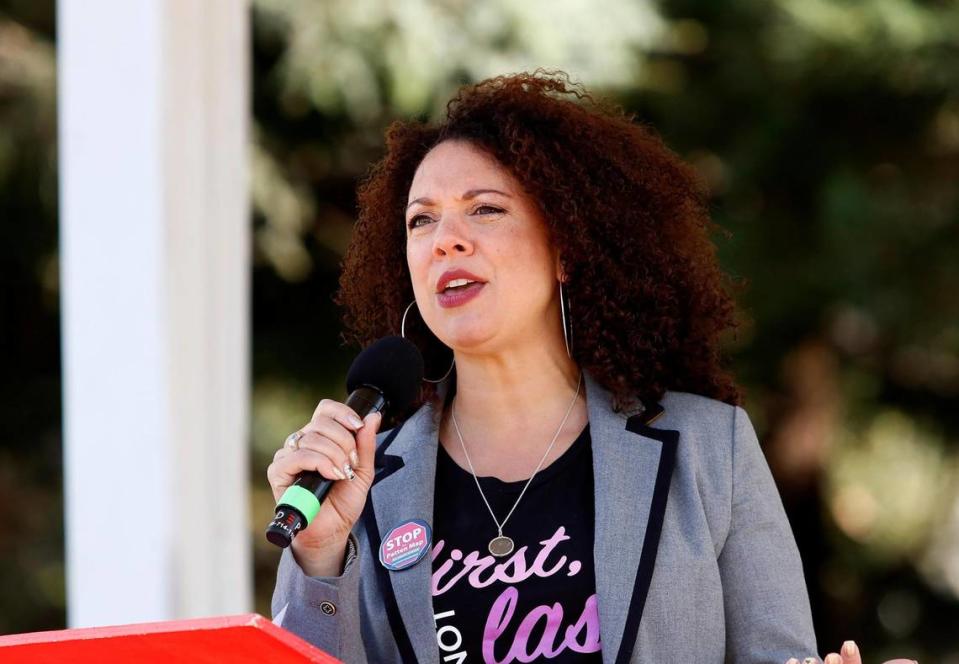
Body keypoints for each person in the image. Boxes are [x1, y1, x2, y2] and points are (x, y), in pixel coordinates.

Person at [268, 70, 912, 664]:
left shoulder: (710, 449)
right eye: (421, 220)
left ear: (567, 247)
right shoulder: (369, 481)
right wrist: (320, 555)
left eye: (485, 208)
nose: (446, 240)